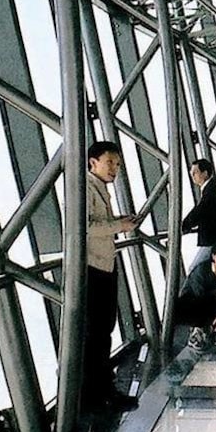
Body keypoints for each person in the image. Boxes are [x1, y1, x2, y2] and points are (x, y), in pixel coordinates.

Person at [85, 141, 139, 411]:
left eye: (117, 164)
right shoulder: (84, 186)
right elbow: (84, 226)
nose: (115, 169)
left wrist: (120, 221)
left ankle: (103, 390)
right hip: (93, 268)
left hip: (104, 265)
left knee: (104, 330)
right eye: (110, 163)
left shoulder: (98, 187)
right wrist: (120, 224)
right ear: (93, 162)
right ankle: (98, 394)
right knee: (96, 333)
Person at [175, 241, 216, 351]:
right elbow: (200, 295)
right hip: (192, 304)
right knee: (202, 312)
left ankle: (206, 330)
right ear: (213, 256)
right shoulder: (201, 270)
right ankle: (199, 332)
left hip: (210, 305)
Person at [182, 159, 216, 271]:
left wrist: (184, 225)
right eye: (191, 173)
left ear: (205, 173)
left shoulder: (211, 190)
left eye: (195, 172)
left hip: (213, 240)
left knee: (194, 268)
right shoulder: (212, 188)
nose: (192, 176)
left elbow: (201, 211)